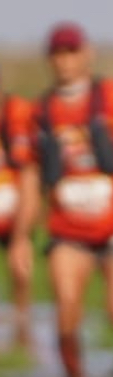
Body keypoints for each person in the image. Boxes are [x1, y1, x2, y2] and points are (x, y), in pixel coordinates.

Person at [9, 21, 113, 377]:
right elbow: (31, 178)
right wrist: (21, 236)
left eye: (71, 52)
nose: (65, 61)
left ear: (87, 54)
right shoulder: (40, 113)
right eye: (57, 53)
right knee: (66, 315)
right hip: (68, 231)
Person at [0, 75, 35, 347]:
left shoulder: (19, 114)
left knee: (20, 269)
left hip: (15, 208)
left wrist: (22, 233)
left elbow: (29, 173)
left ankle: (22, 328)